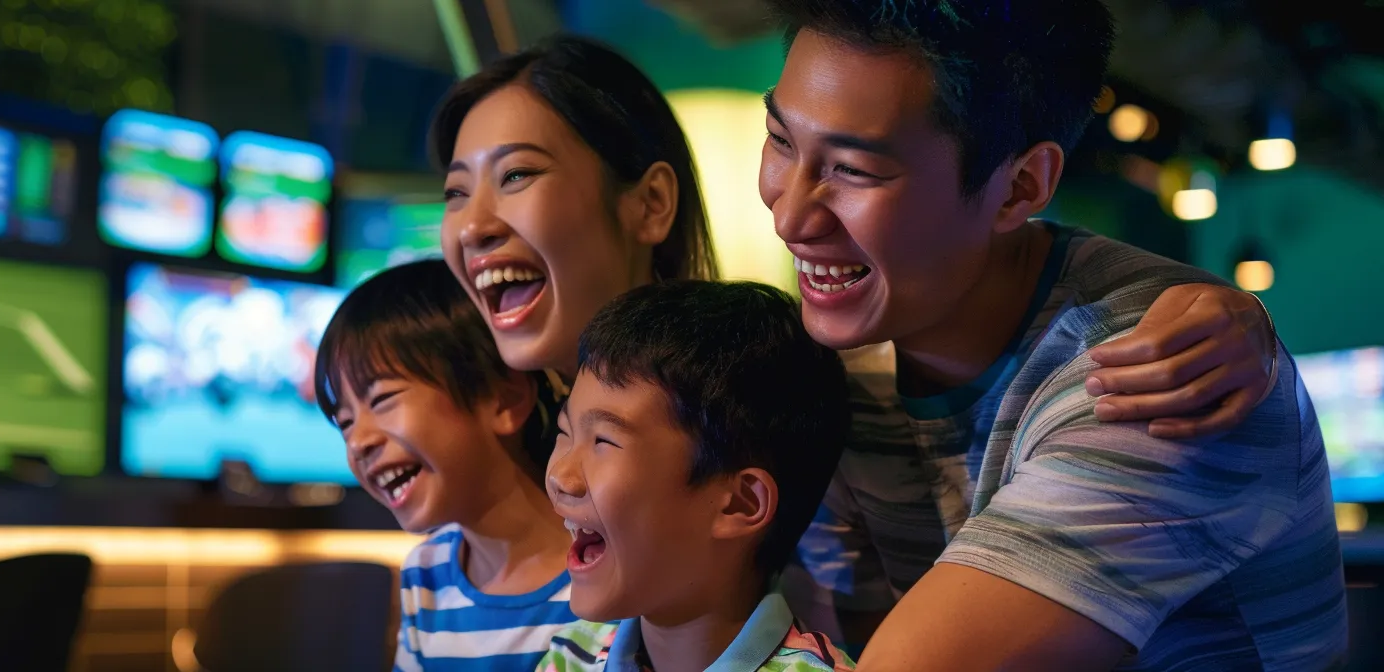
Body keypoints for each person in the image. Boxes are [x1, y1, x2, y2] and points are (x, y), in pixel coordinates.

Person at [757, 1, 1345, 669]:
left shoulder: (1163, 371)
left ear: (1020, 188)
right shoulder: (847, 361)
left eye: (852, 170)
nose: (791, 215)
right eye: (780, 140)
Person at [432, 34, 1279, 446]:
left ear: (653, 202)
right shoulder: (471, 423)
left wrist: (1241, 324)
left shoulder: (776, 398)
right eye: (456, 191)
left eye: (516, 176)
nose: (791, 215)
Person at [539, 280, 854, 672]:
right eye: (565, 433)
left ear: (741, 503)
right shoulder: (571, 657)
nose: (560, 476)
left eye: (604, 441)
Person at [313, 259, 573, 672]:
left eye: (382, 400)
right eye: (344, 423)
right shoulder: (426, 575)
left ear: (504, 400)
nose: (358, 441)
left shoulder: (607, 572)